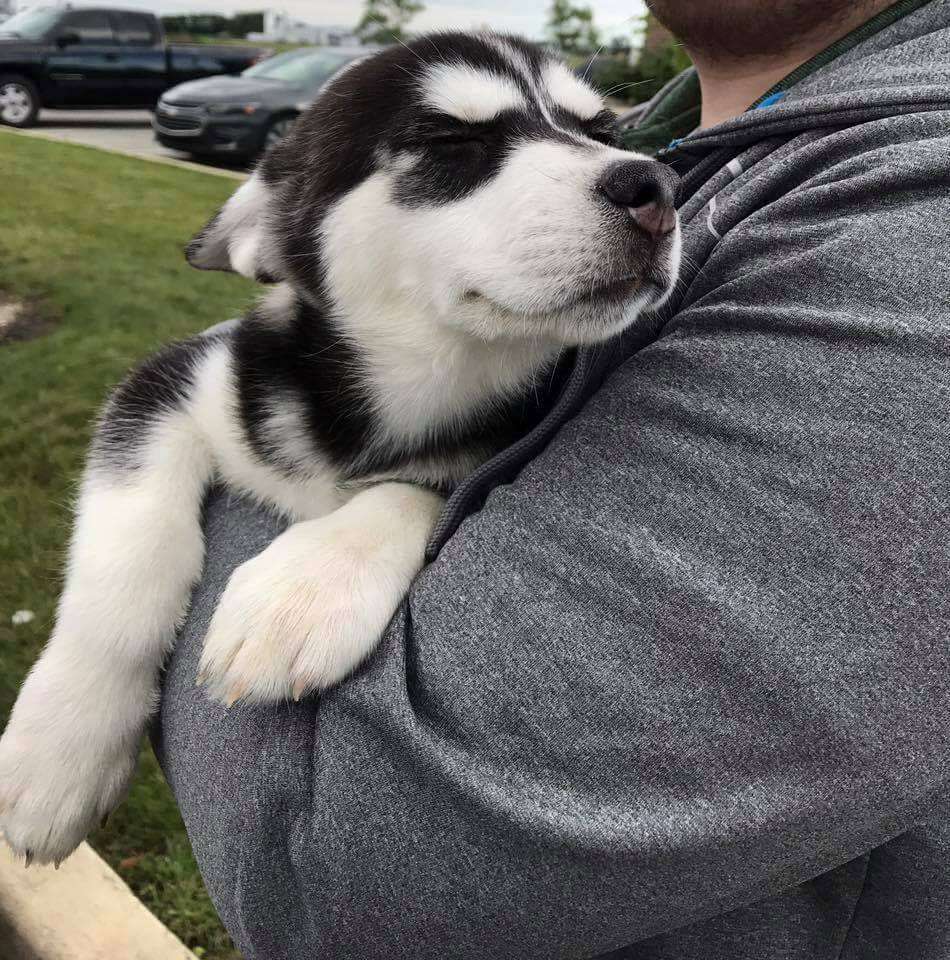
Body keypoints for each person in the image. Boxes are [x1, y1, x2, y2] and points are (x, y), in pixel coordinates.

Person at [155, 1, 950, 957]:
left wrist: (283, 450)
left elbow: (335, 871)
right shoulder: (688, 131)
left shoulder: (913, 214)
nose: (621, 174)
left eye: (592, 133)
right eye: (451, 141)